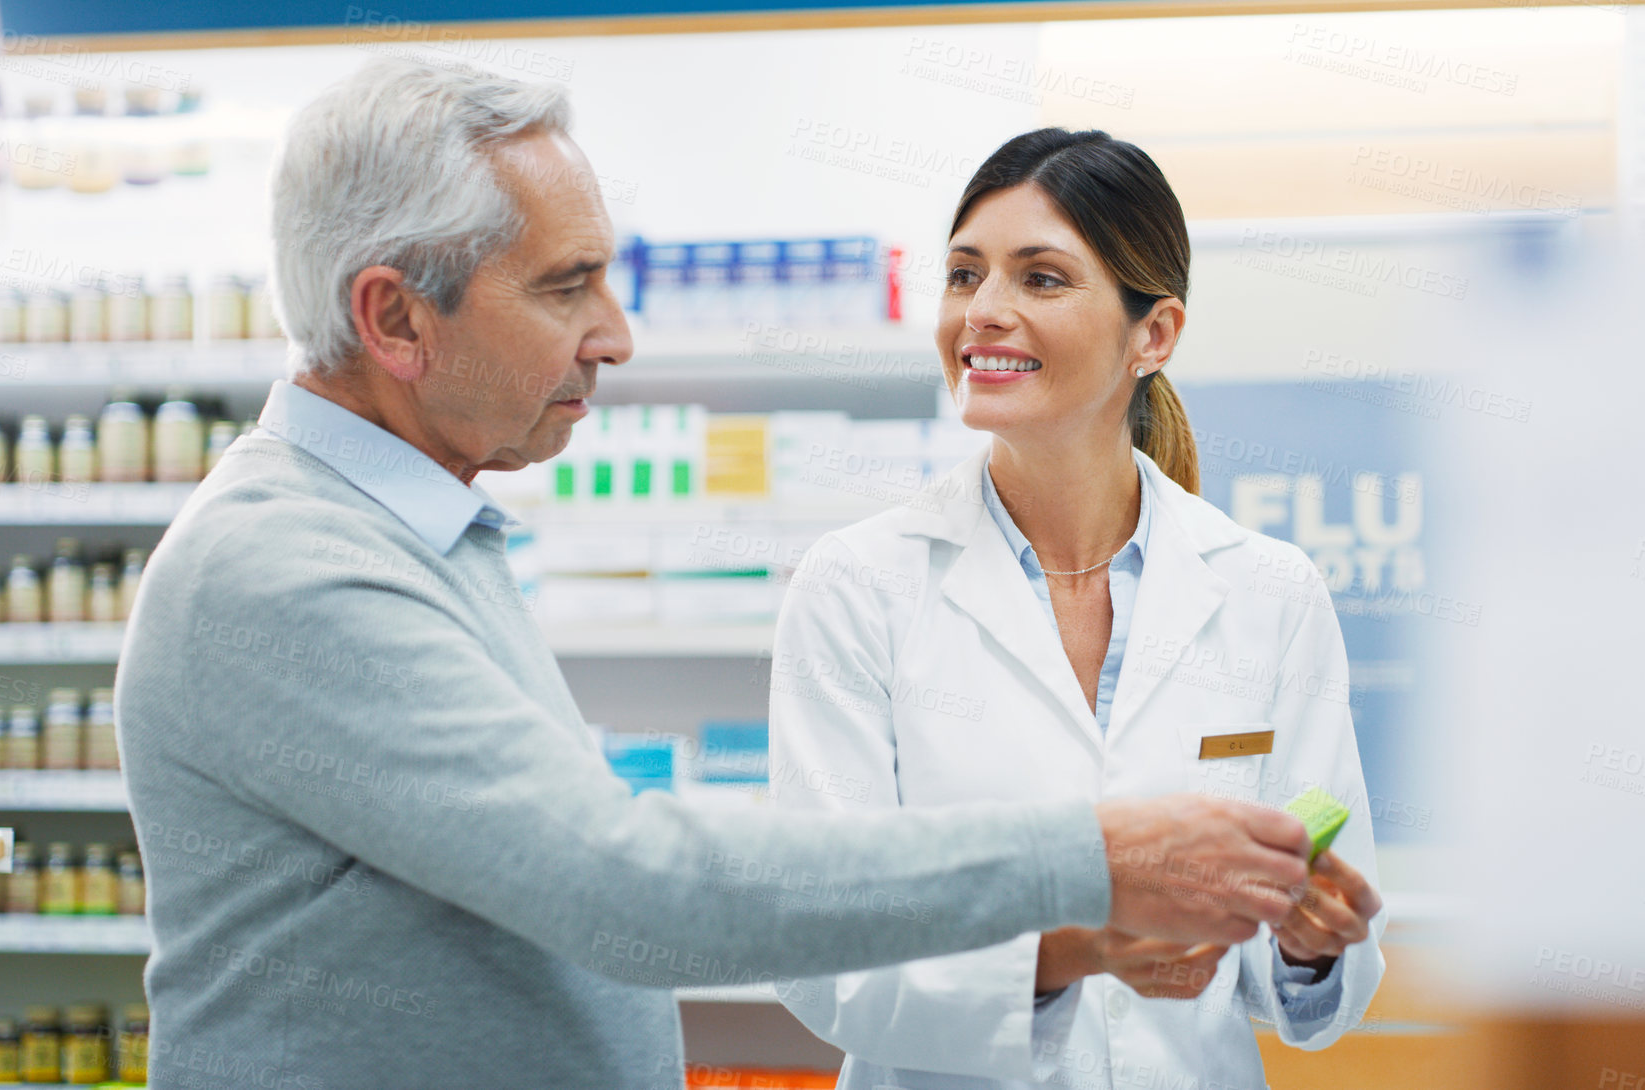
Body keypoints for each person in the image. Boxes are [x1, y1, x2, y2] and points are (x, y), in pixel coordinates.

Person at [113, 64, 1318, 1090]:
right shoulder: (287, 566)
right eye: (563, 283)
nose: (615, 332)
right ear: (395, 319)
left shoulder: (419, 532)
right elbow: (620, 886)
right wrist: (1089, 859)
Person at [769, 128, 1387, 1090]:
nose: (984, 312)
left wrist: (1310, 947)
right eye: (965, 274)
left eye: (1041, 279)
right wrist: (1067, 953)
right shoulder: (857, 586)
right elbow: (820, 949)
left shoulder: (1271, 593)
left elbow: (1302, 993)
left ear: (1155, 333)